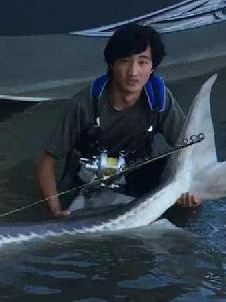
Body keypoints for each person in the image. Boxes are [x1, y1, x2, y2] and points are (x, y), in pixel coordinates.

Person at [35, 23, 201, 219]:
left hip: (137, 173)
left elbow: (191, 150)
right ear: (111, 64)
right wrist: (55, 210)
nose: (133, 72)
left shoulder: (160, 99)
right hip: (90, 181)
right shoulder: (82, 105)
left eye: (142, 62)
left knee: (191, 206)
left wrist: (192, 189)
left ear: (152, 67)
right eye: (124, 61)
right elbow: (46, 163)